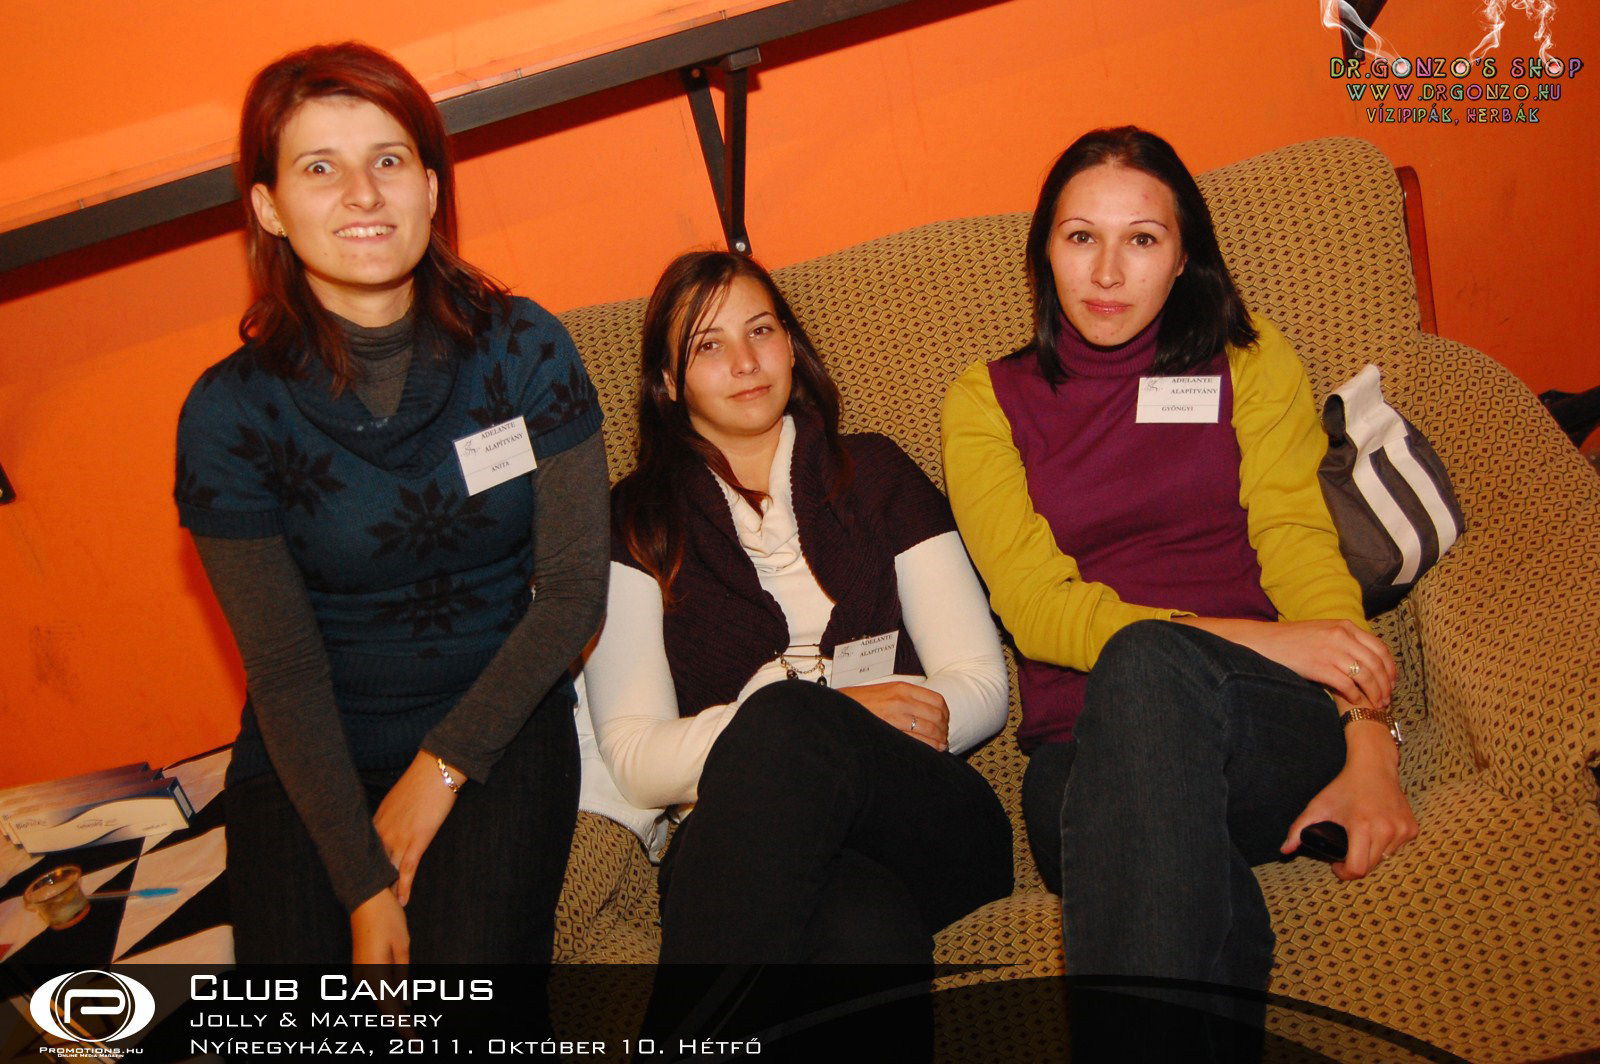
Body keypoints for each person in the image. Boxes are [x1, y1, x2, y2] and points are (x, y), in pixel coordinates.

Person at [941, 126, 1417, 1047]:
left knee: (1149, 674)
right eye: (1082, 237)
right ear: (1044, 252)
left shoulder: (1248, 362)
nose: (1107, 272)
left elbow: (1299, 547)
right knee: (1127, 765)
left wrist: (1370, 744)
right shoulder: (985, 401)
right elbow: (1037, 609)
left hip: (1259, 723)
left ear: (1184, 255)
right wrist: (1258, 636)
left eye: (1142, 239)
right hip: (1078, 754)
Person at [173, 42, 608, 965]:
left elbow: (574, 595)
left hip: (499, 722)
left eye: (388, 160)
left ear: (432, 188)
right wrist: (364, 884)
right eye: (319, 168)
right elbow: (284, 670)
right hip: (312, 752)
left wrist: (440, 770)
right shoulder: (228, 416)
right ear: (268, 207)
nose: (363, 195)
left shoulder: (524, 350)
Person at [579, 249, 1012, 986]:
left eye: (761, 331)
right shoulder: (635, 523)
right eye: (708, 346)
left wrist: (827, 730)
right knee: (865, 930)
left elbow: (980, 685)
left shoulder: (878, 473)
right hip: (744, 850)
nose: (745, 362)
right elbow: (636, 757)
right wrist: (823, 717)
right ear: (668, 382)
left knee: (787, 716)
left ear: (791, 345)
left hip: (923, 816)